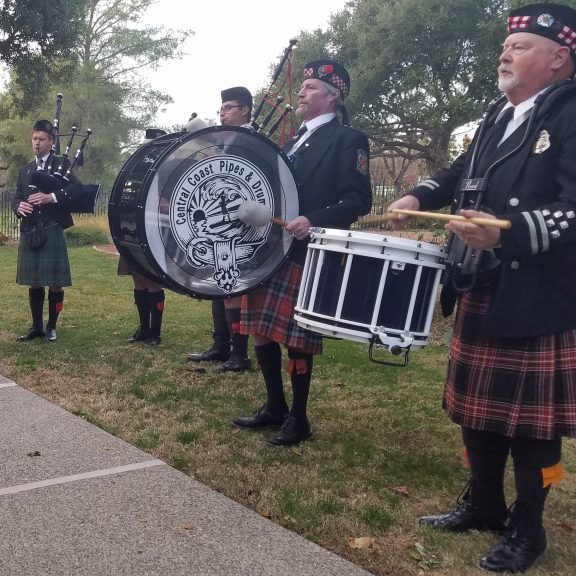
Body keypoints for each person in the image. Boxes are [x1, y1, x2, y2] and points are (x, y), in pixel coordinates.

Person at [389, 4, 576, 571]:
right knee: (477, 408)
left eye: (520, 46)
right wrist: (419, 194)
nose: (505, 53)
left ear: (559, 58)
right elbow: (459, 172)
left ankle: (528, 529)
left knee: (533, 427)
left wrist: (508, 231)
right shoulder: (500, 113)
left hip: (537, 290)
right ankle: (485, 504)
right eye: (505, 45)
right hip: (481, 278)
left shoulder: (570, 113)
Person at [232, 61, 371, 446]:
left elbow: (358, 199)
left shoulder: (348, 139)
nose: (302, 92)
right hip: (271, 247)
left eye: (310, 87)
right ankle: (274, 406)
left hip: (307, 250)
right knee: (261, 329)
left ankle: (299, 417)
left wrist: (313, 219)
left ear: (333, 95)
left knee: (296, 338)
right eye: (303, 86)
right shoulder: (293, 141)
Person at [188, 86, 255, 372]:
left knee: (233, 287)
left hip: (241, 226)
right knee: (219, 283)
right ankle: (221, 346)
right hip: (220, 224)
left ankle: (239, 354)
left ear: (245, 110)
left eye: (228, 108)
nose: (222, 114)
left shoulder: (251, 143)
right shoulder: (227, 143)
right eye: (221, 109)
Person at [12, 119, 83, 342]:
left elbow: (77, 189)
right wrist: (18, 206)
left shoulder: (62, 165)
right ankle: (37, 326)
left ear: (51, 141)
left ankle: (52, 326)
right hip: (31, 228)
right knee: (34, 280)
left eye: (41, 139)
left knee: (55, 282)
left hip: (52, 227)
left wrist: (51, 197)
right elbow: (17, 196)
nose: (37, 143)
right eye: (34, 139)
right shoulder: (25, 170)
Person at [118, 128, 168, 346]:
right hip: (133, 229)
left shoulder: (167, 170)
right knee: (138, 279)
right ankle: (143, 329)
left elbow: (170, 203)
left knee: (153, 282)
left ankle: (155, 333)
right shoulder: (137, 170)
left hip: (154, 231)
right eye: (146, 145)